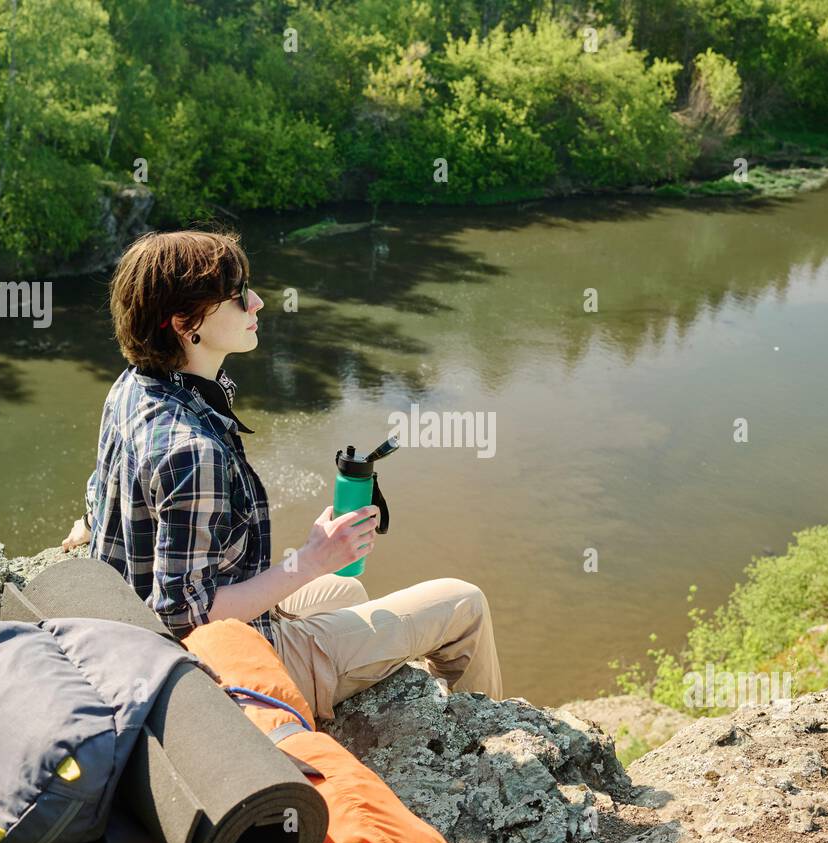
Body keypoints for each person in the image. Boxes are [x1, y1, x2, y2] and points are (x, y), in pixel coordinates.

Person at [61, 229, 502, 720]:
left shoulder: (135, 387)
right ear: (187, 323)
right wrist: (312, 559)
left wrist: (91, 527)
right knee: (464, 604)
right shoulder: (193, 450)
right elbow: (185, 616)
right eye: (237, 296)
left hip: (139, 633)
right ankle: (481, 741)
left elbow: (110, 495)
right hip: (214, 672)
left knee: (348, 590)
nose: (259, 302)